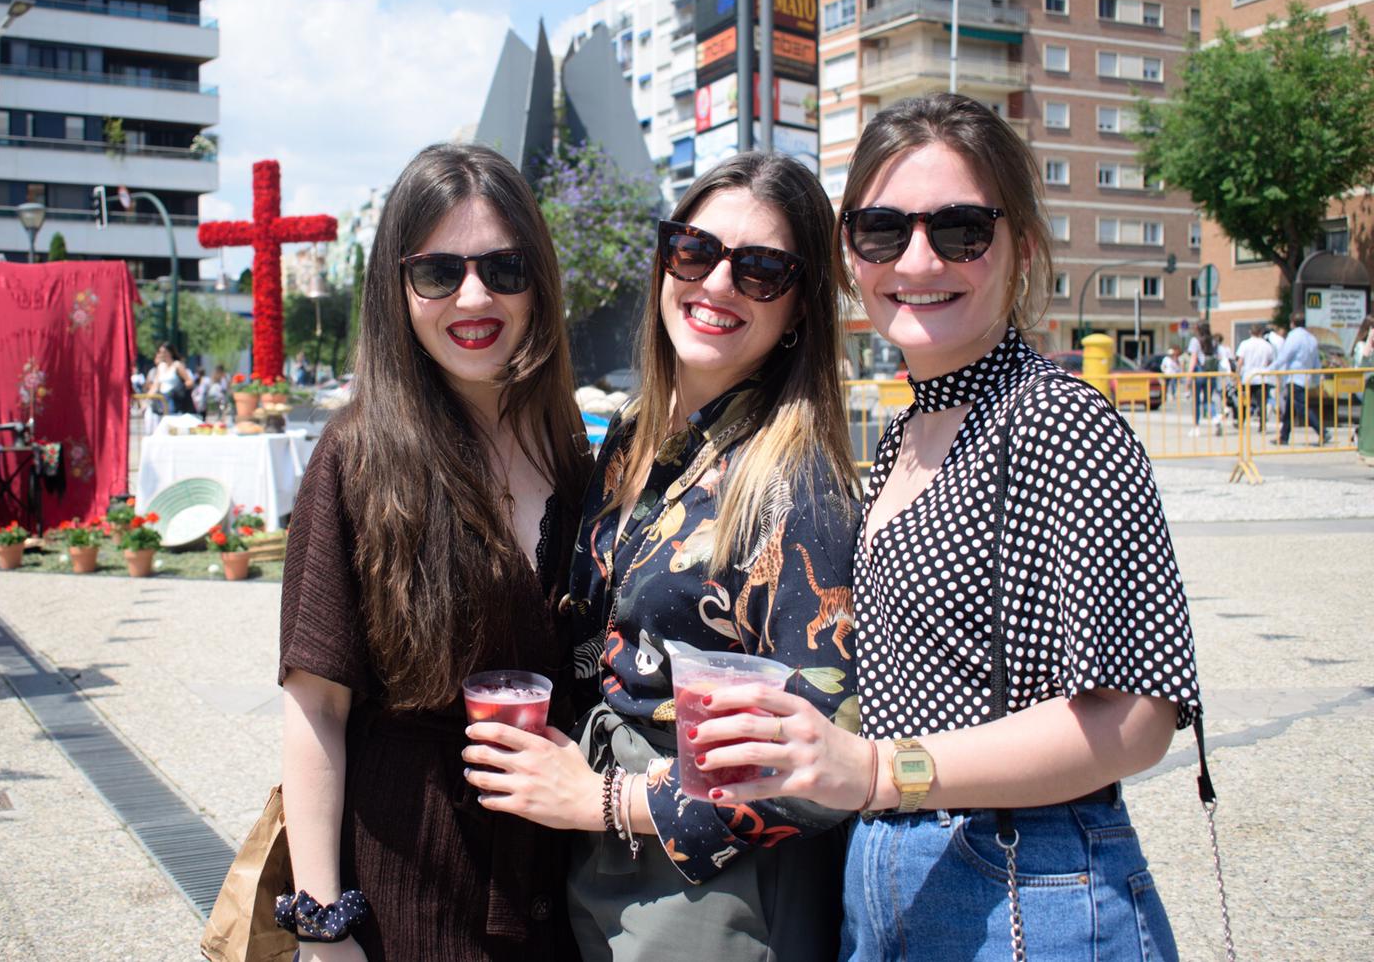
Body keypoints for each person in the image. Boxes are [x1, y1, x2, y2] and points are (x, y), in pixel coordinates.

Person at [695, 95, 1200, 961]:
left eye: (960, 229)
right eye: (882, 232)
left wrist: (883, 771)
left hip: (1027, 882)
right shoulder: (907, 433)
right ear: (851, 256)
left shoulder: (1056, 420)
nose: (917, 259)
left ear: (1022, 249)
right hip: (899, 876)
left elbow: (1134, 719)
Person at [462, 153, 863, 961]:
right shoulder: (635, 436)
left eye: (761, 271)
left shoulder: (796, 484)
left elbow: (824, 763)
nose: (716, 285)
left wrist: (605, 799)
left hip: (712, 890)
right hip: (599, 855)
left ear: (800, 308)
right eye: (694, 250)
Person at [276, 143, 591, 961]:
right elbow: (316, 706)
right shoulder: (355, 457)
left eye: (504, 267)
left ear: (539, 282)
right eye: (439, 272)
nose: (474, 296)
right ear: (398, 287)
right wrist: (322, 926)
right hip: (408, 890)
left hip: (560, 888)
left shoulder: (571, 453)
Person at [1276, 312, 1328, 445]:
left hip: (1294, 377)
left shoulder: (1293, 336)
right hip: (1305, 378)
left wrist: (1269, 369)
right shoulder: (1311, 338)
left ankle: (1323, 431)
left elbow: (1284, 356)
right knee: (1290, 409)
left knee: (1301, 408)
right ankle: (1283, 436)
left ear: (1292, 323)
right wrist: (1316, 379)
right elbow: (1316, 362)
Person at [1235, 322, 1275, 429]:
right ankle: (1262, 425)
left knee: (1244, 402)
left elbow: (1240, 361)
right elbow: (1270, 361)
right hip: (1262, 377)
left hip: (1247, 377)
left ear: (1250, 332)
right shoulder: (1267, 345)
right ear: (1261, 332)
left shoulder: (1245, 344)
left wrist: (1236, 375)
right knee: (1262, 403)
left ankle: (1240, 422)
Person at [1186, 320, 1221, 435]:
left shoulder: (1195, 341)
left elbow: (1193, 359)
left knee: (1196, 401)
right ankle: (1216, 419)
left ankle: (1196, 427)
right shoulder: (1214, 341)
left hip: (1199, 373)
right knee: (1208, 400)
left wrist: (1188, 377)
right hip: (1211, 374)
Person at [150, 343, 197, 417]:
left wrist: (179, 389)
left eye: (164, 352)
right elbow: (156, 384)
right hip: (162, 398)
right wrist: (147, 396)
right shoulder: (161, 366)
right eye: (160, 352)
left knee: (171, 420)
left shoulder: (177, 365)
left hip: (174, 399)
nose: (162, 354)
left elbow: (189, 382)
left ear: (170, 352)